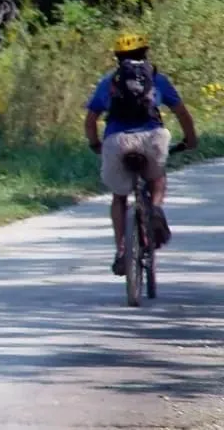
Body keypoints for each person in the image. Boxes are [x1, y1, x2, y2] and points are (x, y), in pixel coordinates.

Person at [84, 33, 198, 276]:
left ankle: (122, 250)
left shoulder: (109, 82)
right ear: (145, 53)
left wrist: (95, 143)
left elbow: (91, 119)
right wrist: (190, 139)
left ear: (118, 58)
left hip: (117, 141)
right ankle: (155, 208)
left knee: (119, 197)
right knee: (157, 178)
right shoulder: (157, 80)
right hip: (152, 139)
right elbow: (182, 112)